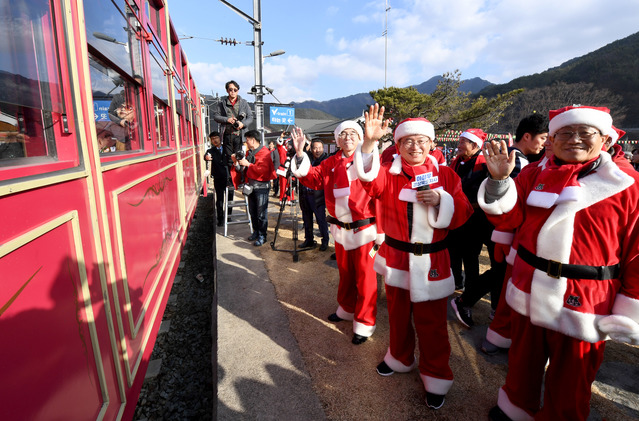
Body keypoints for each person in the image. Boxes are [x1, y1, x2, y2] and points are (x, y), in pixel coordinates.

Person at [480, 105, 639, 421]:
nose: (575, 139)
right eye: (566, 132)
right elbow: (509, 219)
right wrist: (499, 182)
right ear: (552, 137)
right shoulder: (531, 174)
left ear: (605, 139)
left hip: (587, 300)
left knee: (571, 381)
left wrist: (629, 307)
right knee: (522, 363)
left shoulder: (627, 184)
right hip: (529, 287)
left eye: (585, 132)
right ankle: (516, 407)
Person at [355, 105, 473, 410]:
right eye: (408, 141)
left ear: (432, 144)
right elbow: (369, 181)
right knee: (397, 316)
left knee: (432, 324)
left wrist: (441, 201)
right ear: (397, 146)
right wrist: (368, 144)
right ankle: (399, 357)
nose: (415, 146)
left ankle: (435, 374)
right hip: (396, 259)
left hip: (433, 263)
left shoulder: (446, 174)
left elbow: (463, 213)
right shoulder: (388, 174)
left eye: (422, 141)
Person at [291, 121, 379, 345]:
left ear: (360, 138)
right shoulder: (330, 162)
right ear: (337, 139)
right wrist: (300, 154)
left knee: (366, 278)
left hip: (365, 228)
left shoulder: (368, 160)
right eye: (343, 134)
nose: (348, 138)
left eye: (353, 134)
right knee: (345, 273)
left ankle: (365, 321)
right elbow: (311, 177)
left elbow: (378, 189)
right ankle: (347, 308)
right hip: (340, 229)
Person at [479, 114, 549, 354]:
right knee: (505, 282)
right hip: (512, 240)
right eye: (545, 137)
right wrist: (498, 181)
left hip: (513, 239)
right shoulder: (523, 166)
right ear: (527, 136)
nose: (545, 143)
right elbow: (510, 212)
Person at [447, 129, 488, 303]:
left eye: (463, 141)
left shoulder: (484, 164)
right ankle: (456, 282)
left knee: (470, 256)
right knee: (453, 252)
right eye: (460, 140)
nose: (459, 144)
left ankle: (471, 290)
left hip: (475, 219)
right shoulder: (456, 161)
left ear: (475, 145)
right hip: (455, 216)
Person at [235, 130, 276, 246]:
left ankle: (263, 235)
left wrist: (248, 164)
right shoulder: (250, 153)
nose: (246, 142)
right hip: (251, 186)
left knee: (261, 213)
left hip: (262, 187)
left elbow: (263, 171)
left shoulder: (265, 153)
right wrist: (237, 163)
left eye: (247, 140)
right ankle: (256, 232)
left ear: (253, 140)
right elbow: (244, 170)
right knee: (253, 212)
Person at [212, 80, 254, 177]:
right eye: (230, 89)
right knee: (230, 159)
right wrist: (227, 119)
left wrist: (242, 124)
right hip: (227, 135)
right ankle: (231, 179)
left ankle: (241, 178)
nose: (233, 92)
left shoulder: (243, 103)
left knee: (241, 157)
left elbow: (250, 117)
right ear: (227, 90)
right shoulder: (221, 104)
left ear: (238, 91)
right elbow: (216, 116)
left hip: (241, 136)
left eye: (235, 89)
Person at [298, 139, 330, 250]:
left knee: (321, 219)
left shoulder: (326, 160)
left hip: (318, 194)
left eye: (319, 148)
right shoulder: (308, 158)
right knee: (306, 218)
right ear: (311, 149)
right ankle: (309, 240)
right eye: (315, 148)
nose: (317, 150)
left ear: (323, 148)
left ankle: (325, 241)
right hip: (305, 193)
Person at [204, 131, 231, 226]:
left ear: (220, 138)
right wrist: (206, 157)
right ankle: (220, 219)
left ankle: (229, 216)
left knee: (230, 198)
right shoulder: (211, 151)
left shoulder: (227, 148)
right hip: (218, 178)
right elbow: (205, 156)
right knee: (219, 200)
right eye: (212, 139)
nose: (214, 140)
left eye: (216, 138)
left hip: (229, 177)